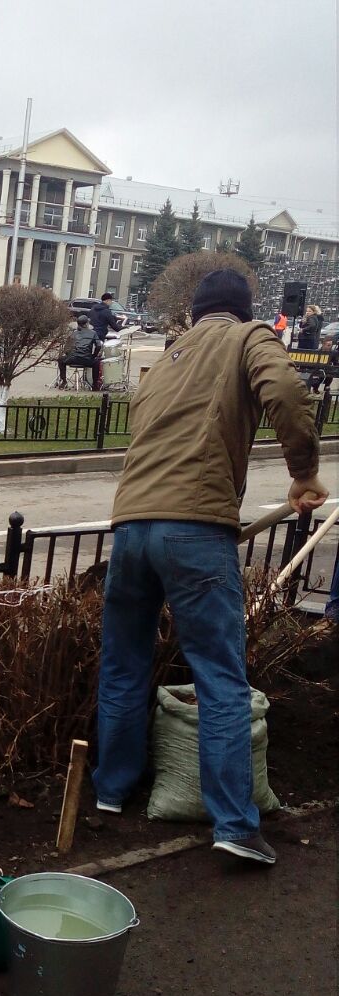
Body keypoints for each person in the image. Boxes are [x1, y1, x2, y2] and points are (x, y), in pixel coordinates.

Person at [93, 268, 327, 865]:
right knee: (220, 677)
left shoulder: (167, 360)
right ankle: (234, 825)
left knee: (123, 665)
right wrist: (302, 472)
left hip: (131, 528)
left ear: (195, 313)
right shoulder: (250, 337)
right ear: (242, 308)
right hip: (194, 529)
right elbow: (286, 393)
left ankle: (111, 790)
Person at [57, 314, 102, 389]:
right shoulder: (93, 333)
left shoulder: (73, 333)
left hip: (72, 358)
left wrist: (70, 355)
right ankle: (95, 385)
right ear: (86, 324)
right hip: (86, 359)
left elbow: (66, 348)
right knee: (97, 362)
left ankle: (64, 381)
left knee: (60, 360)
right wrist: (93, 355)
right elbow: (99, 346)